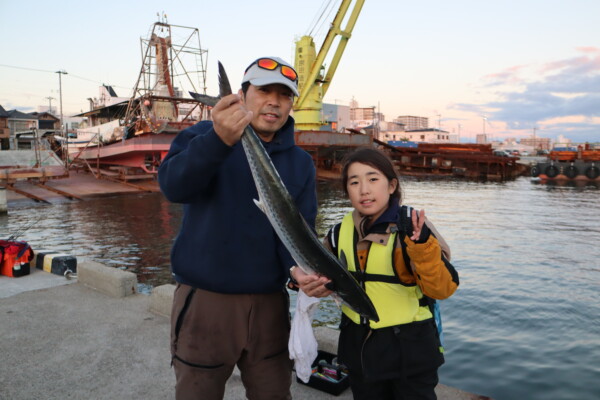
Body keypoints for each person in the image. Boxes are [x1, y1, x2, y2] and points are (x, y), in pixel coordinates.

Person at [158, 57, 326, 400]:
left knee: (274, 393)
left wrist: (297, 272)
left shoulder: (301, 164)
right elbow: (173, 187)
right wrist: (219, 140)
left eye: (284, 95)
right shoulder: (201, 136)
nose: (274, 101)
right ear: (241, 95)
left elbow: (297, 234)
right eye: (264, 90)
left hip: (269, 307)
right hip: (207, 302)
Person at [291, 147, 459, 400]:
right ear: (346, 190)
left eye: (373, 179)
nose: (364, 190)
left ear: (391, 186)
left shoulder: (413, 228)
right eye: (354, 182)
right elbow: (314, 273)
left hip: (410, 352)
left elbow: (443, 289)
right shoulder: (338, 233)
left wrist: (422, 246)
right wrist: (300, 280)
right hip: (358, 350)